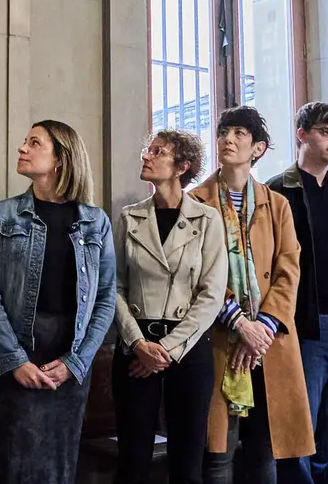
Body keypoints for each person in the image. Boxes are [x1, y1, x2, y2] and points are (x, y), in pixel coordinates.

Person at [0, 120, 116, 484]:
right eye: (25, 142)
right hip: (19, 352)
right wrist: (14, 360)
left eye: (34, 142)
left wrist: (76, 362)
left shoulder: (94, 222)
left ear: (60, 159)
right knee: (16, 466)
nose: (22, 148)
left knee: (60, 467)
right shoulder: (4, 214)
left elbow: (105, 298)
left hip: (69, 358)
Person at [189, 106, 314, 484]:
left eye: (240, 134)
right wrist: (239, 321)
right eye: (224, 131)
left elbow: (289, 268)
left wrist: (263, 327)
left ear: (257, 148)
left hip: (268, 343)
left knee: (265, 451)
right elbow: (195, 272)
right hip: (219, 335)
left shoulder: (277, 204)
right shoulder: (196, 200)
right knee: (218, 453)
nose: (228, 139)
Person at [113, 129, 228, 484]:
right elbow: (113, 287)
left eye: (158, 152)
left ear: (182, 166)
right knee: (132, 459)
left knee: (187, 461)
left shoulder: (208, 219)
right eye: (147, 150)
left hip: (188, 348)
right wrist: (138, 345)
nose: (146, 156)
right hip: (135, 347)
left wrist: (164, 350)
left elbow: (211, 294)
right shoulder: (128, 218)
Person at [268, 102, 328, 484]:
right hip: (305, 323)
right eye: (327, 132)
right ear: (302, 134)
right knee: (299, 430)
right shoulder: (278, 190)